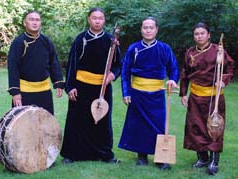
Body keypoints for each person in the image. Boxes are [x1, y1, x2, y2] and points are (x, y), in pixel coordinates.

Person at [60, 7, 121, 164]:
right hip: (81, 86)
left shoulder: (111, 41)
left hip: (102, 87)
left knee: (101, 120)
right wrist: (70, 86)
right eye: (94, 17)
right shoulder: (81, 39)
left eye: (100, 18)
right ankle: (72, 154)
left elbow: (118, 65)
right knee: (77, 120)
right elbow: (72, 65)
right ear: (89, 19)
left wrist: (112, 75)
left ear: (104, 20)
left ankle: (104, 153)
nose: (97, 20)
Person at [118, 17, 179, 170]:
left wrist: (172, 80)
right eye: (145, 27)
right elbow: (125, 72)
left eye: (151, 27)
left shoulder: (165, 49)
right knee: (139, 125)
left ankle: (160, 158)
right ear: (141, 29)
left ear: (156, 29)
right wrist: (126, 92)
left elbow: (174, 68)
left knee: (158, 125)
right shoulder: (133, 48)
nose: (148, 30)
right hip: (137, 92)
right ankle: (142, 156)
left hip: (157, 94)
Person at [179, 22, 235, 175]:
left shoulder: (218, 51)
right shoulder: (190, 52)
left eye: (202, 33)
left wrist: (223, 80)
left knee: (214, 127)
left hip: (214, 98)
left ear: (208, 35)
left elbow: (230, 67)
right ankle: (202, 158)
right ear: (194, 36)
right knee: (195, 127)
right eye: (196, 34)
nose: (199, 36)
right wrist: (184, 93)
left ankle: (214, 162)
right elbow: (184, 73)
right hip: (195, 97)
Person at [7, 11, 64, 115]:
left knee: (45, 124)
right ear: (25, 23)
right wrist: (15, 92)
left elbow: (53, 62)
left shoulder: (46, 41)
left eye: (37, 20)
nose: (35, 22)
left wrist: (58, 82)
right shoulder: (19, 42)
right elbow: (13, 67)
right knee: (24, 126)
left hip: (44, 92)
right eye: (31, 19)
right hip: (25, 92)